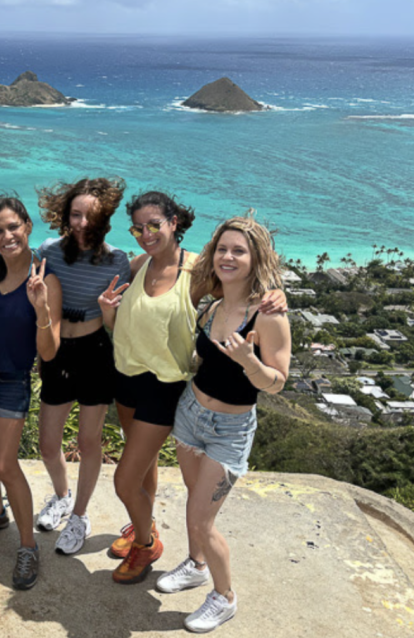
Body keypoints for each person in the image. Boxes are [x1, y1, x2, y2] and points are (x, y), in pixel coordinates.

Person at [101, 192, 286, 586]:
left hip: (164, 387)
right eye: (138, 227)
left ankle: (146, 544)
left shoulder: (198, 271)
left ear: (174, 222)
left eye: (155, 224)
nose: (146, 234)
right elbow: (132, 325)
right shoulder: (139, 264)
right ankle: (142, 523)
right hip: (127, 379)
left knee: (124, 479)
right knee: (144, 467)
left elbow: (240, 288)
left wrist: (275, 294)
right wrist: (108, 316)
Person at [157, 215, 291, 633]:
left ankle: (224, 596)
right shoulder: (212, 306)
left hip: (230, 431)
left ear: (256, 260)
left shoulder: (268, 315)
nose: (228, 257)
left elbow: (277, 383)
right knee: (194, 501)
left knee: (202, 519)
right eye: (222, 249)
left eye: (239, 251)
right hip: (190, 416)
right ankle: (196, 565)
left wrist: (249, 361)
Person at [0, 196, 62, 590]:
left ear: (28, 227)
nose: (6, 236)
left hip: (10, 379)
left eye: (12, 227)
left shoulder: (46, 278)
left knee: (5, 464)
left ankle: (26, 545)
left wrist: (41, 309)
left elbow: (49, 351)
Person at [33, 178, 130, 556]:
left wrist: (108, 314)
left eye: (92, 216)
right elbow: (39, 306)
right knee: (47, 444)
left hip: (95, 351)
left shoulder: (116, 260)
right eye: (76, 214)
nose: (82, 223)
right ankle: (61, 496)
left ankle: (80, 515)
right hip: (56, 351)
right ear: (64, 214)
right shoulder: (48, 252)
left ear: (105, 219)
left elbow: (117, 325)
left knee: (89, 442)